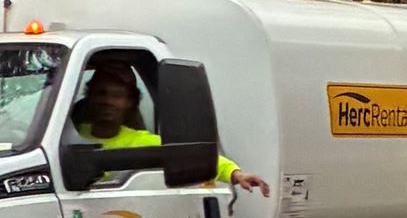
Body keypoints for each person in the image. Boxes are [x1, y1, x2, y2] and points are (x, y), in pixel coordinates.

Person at [74, 63, 270, 196]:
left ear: (130, 103)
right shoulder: (66, 136)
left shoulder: (141, 142)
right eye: (101, 93)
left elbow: (192, 155)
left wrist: (235, 174)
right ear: (88, 97)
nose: (108, 101)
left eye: (117, 95)